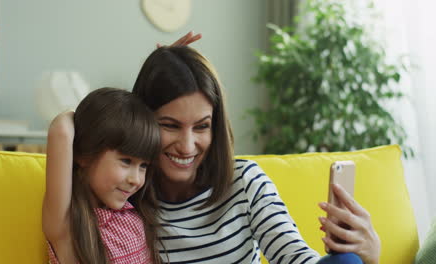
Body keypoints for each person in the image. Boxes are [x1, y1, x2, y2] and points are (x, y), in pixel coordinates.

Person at [131, 46, 381, 264]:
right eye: (170, 125)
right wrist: (162, 69)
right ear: (142, 122)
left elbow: (295, 257)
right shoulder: (123, 198)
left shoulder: (245, 182)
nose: (187, 146)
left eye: (201, 126)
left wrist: (367, 258)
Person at [42, 88, 163, 263]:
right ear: (84, 156)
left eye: (143, 165)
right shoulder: (68, 227)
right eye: (126, 161)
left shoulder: (132, 216)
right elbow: (61, 131)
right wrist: (85, 119)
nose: (136, 180)